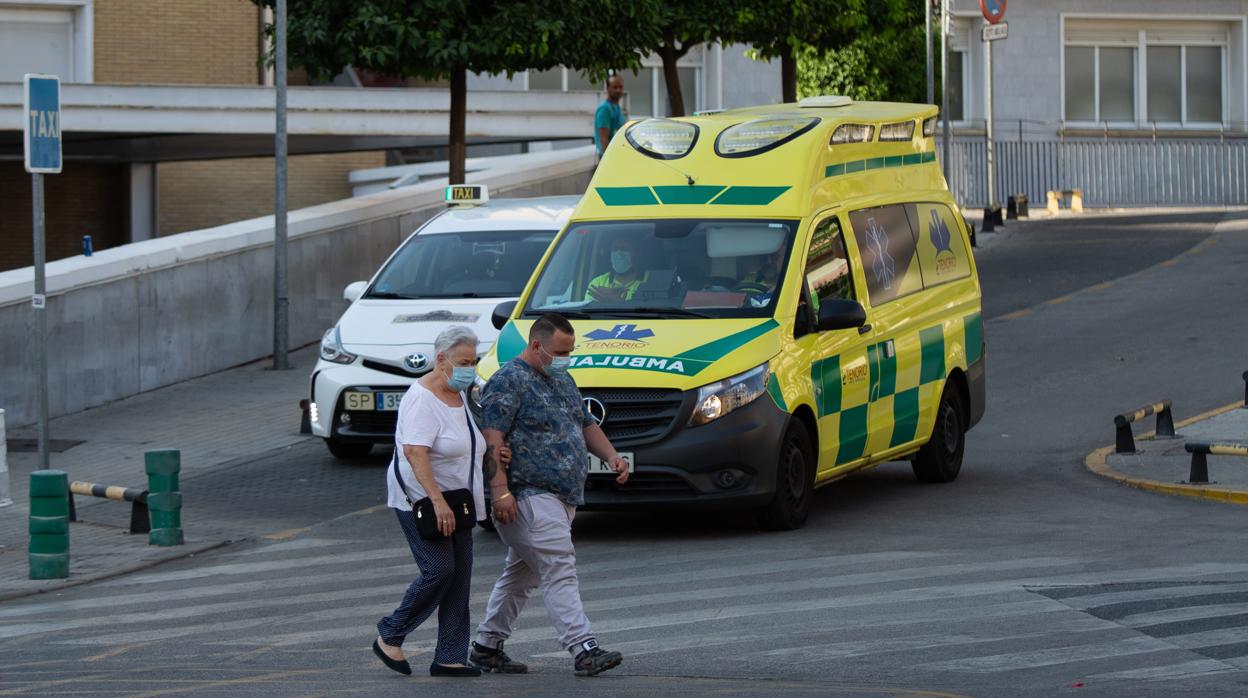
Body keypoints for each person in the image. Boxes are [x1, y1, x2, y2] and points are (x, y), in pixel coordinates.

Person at [469, 313, 631, 677]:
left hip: (562, 496)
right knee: (559, 565)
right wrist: (500, 493)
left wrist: (611, 456)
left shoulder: (562, 379)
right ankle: (582, 647)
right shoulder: (508, 381)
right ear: (536, 345)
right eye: (560, 352)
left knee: (520, 576)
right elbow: (492, 440)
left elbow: (585, 423)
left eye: (570, 351)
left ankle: (486, 646)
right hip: (527, 495)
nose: (565, 359)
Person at [374, 325, 507, 678]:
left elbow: (465, 440)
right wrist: (437, 502)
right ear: (441, 359)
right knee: (439, 570)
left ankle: (449, 657)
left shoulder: (459, 392)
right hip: (422, 499)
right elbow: (416, 453)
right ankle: (391, 633)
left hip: (459, 501)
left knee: (459, 577)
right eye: (464, 361)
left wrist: (491, 452)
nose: (471, 367)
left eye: (474, 360)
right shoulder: (422, 398)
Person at [585, 237, 647, 303]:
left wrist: (618, 303)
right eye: (615, 249)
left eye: (625, 249)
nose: (619, 253)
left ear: (636, 253)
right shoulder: (598, 283)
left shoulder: (651, 280)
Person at [594, 75, 626, 159]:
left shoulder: (617, 107)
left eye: (620, 87)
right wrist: (610, 160)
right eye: (614, 87)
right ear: (607, 88)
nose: (618, 90)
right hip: (609, 160)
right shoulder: (605, 109)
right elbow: (604, 140)